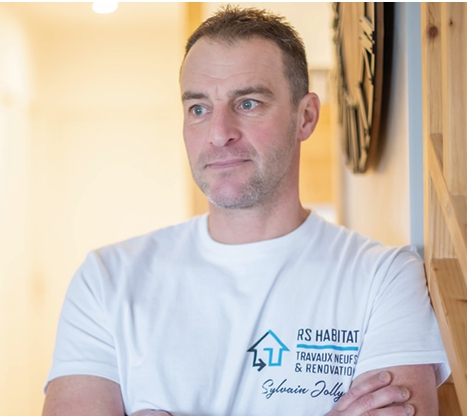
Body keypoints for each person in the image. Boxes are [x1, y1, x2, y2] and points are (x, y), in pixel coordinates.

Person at [42, 6, 449, 416]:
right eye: (198, 109)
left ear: (306, 117)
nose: (219, 133)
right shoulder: (107, 280)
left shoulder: (385, 278)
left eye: (249, 103)